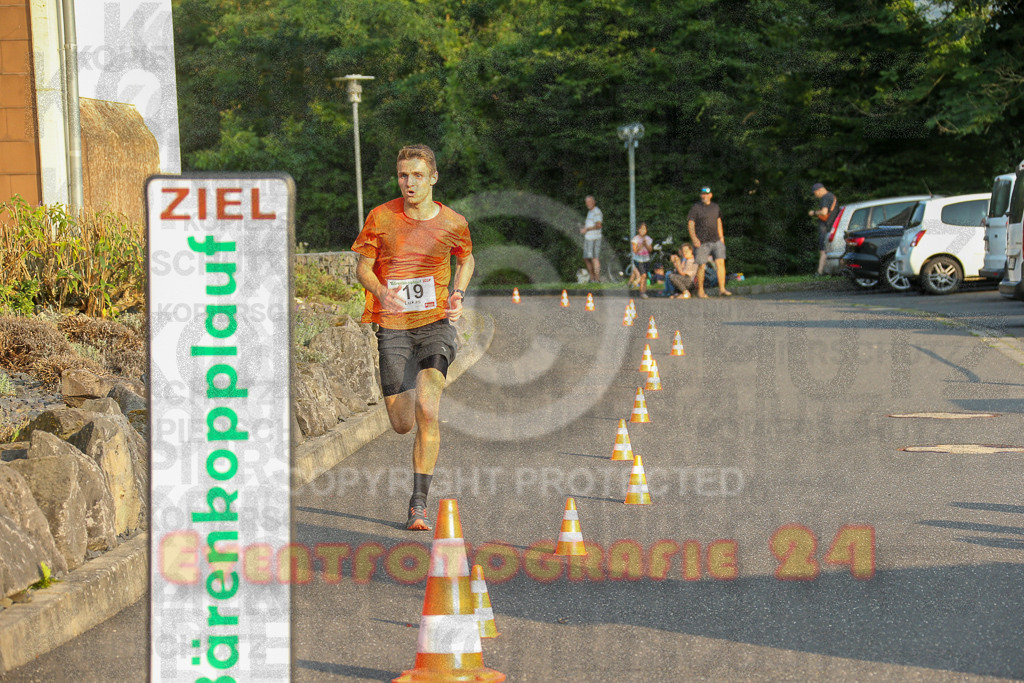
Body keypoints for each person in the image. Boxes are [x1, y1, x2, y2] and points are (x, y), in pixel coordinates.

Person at [351, 144, 474, 531]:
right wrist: (380, 291)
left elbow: (466, 257)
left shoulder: (453, 221)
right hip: (393, 327)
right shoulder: (381, 217)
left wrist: (458, 292)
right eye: (404, 175)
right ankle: (404, 407)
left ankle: (419, 502)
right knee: (402, 423)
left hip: (436, 323)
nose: (409, 182)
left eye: (417, 175)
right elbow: (363, 267)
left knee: (427, 407)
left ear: (433, 178)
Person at [686, 186, 732, 298]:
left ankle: (722, 289)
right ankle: (700, 291)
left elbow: (718, 221)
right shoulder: (696, 207)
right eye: (702, 194)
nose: (704, 196)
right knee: (701, 265)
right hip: (702, 241)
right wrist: (694, 238)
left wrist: (722, 237)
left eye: (706, 194)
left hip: (716, 240)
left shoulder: (715, 207)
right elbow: (691, 223)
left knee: (720, 263)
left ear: (710, 195)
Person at [809, 182, 837, 276]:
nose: (815, 195)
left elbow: (824, 212)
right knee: (828, 249)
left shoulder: (825, 197)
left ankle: (820, 272)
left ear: (819, 190)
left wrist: (813, 213)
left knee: (823, 249)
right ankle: (828, 271)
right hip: (831, 226)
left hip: (825, 226)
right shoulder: (831, 196)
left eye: (815, 193)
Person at [579, 195, 603, 283]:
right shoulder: (590, 212)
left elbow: (599, 225)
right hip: (589, 238)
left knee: (594, 258)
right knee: (586, 258)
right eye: (586, 202)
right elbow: (590, 224)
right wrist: (584, 228)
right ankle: (592, 278)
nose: (588, 204)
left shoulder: (596, 212)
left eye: (589, 202)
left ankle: (597, 279)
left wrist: (587, 229)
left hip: (594, 238)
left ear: (594, 202)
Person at [630, 221, 653, 298]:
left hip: (646, 259)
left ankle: (644, 291)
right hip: (638, 259)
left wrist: (646, 244)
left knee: (645, 276)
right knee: (643, 274)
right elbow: (635, 251)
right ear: (638, 230)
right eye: (641, 229)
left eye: (644, 229)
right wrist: (641, 245)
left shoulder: (648, 238)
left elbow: (650, 250)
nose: (643, 231)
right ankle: (641, 292)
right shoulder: (635, 239)